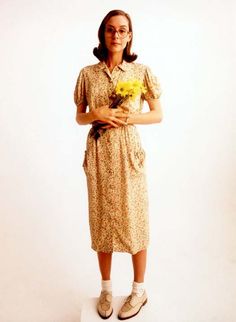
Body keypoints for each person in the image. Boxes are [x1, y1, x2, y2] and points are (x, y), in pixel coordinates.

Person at [73, 9, 163, 320]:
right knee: (102, 218)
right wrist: (96, 113)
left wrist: (127, 117)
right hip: (99, 153)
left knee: (134, 217)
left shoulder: (140, 73)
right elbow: (79, 116)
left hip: (127, 152)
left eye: (122, 30)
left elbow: (157, 113)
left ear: (130, 35)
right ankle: (107, 288)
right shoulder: (88, 74)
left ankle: (139, 290)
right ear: (103, 34)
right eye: (110, 30)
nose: (116, 35)